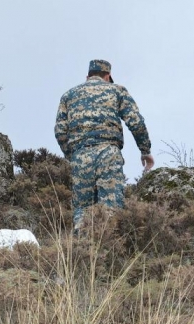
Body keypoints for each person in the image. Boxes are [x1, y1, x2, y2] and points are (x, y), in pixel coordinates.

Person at [55, 59, 155, 229]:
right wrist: (145, 150)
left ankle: (82, 250)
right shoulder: (117, 91)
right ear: (107, 76)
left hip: (80, 155)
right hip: (108, 153)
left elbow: (60, 131)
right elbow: (136, 122)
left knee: (82, 210)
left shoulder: (69, 95)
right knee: (111, 208)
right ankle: (110, 250)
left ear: (87, 76)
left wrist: (72, 156)